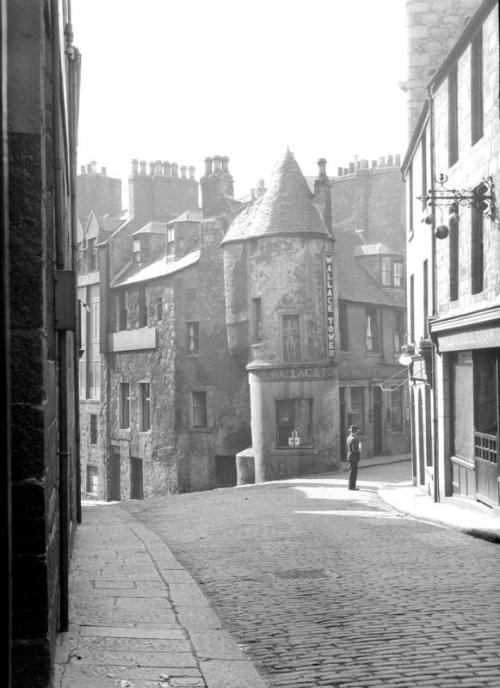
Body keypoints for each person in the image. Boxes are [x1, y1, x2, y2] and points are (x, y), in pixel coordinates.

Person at [346, 425, 361, 490]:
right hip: (354, 457)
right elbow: (355, 450)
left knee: (351, 472)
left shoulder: (348, 437)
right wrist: (359, 451)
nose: (357, 433)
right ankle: (352, 486)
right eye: (357, 431)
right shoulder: (354, 439)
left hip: (350, 456)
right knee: (354, 473)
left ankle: (351, 486)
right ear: (355, 432)